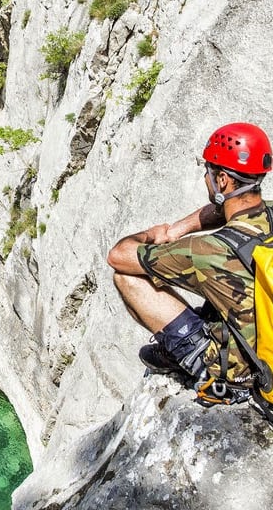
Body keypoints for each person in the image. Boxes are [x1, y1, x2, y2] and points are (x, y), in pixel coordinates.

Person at [107, 122, 273, 390]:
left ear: (222, 180)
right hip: (266, 348)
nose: (205, 177)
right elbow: (224, 211)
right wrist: (177, 230)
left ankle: (182, 353)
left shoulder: (204, 251)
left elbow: (118, 256)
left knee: (127, 278)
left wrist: (152, 234)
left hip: (237, 373)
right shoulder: (269, 214)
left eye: (208, 171)